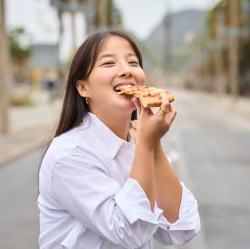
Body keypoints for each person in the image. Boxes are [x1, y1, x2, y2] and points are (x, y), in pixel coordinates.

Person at [38, 30, 200, 249]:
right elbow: (130, 233)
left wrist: (153, 145)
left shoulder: (140, 142)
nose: (126, 70)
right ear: (83, 87)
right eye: (108, 63)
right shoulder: (69, 155)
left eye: (133, 62)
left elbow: (180, 227)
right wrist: (146, 144)